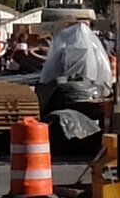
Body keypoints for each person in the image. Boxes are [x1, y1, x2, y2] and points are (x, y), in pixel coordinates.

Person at [36, 13, 114, 152]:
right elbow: (103, 74)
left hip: (77, 93)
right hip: (89, 91)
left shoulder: (65, 51)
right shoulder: (93, 49)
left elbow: (50, 74)